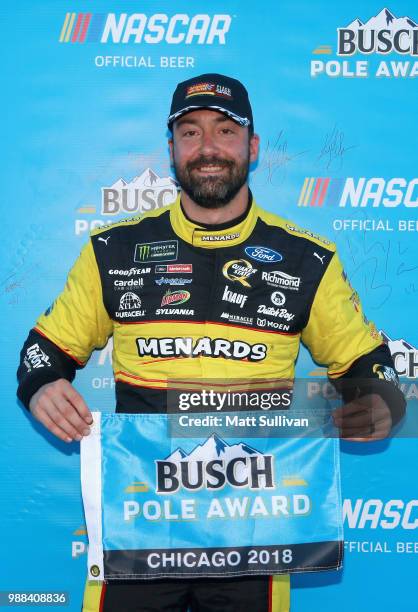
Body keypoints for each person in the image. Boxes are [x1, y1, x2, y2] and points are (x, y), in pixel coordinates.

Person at [17, 73, 405, 612]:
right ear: (171, 148)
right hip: (139, 521)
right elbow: (43, 350)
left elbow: (369, 363)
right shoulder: (114, 249)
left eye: (225, 131)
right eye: (191, 132)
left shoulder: (306, 258)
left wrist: (382, 402)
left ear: (252, 146)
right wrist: (40, 383)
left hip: (255, 529)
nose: (208, 149)